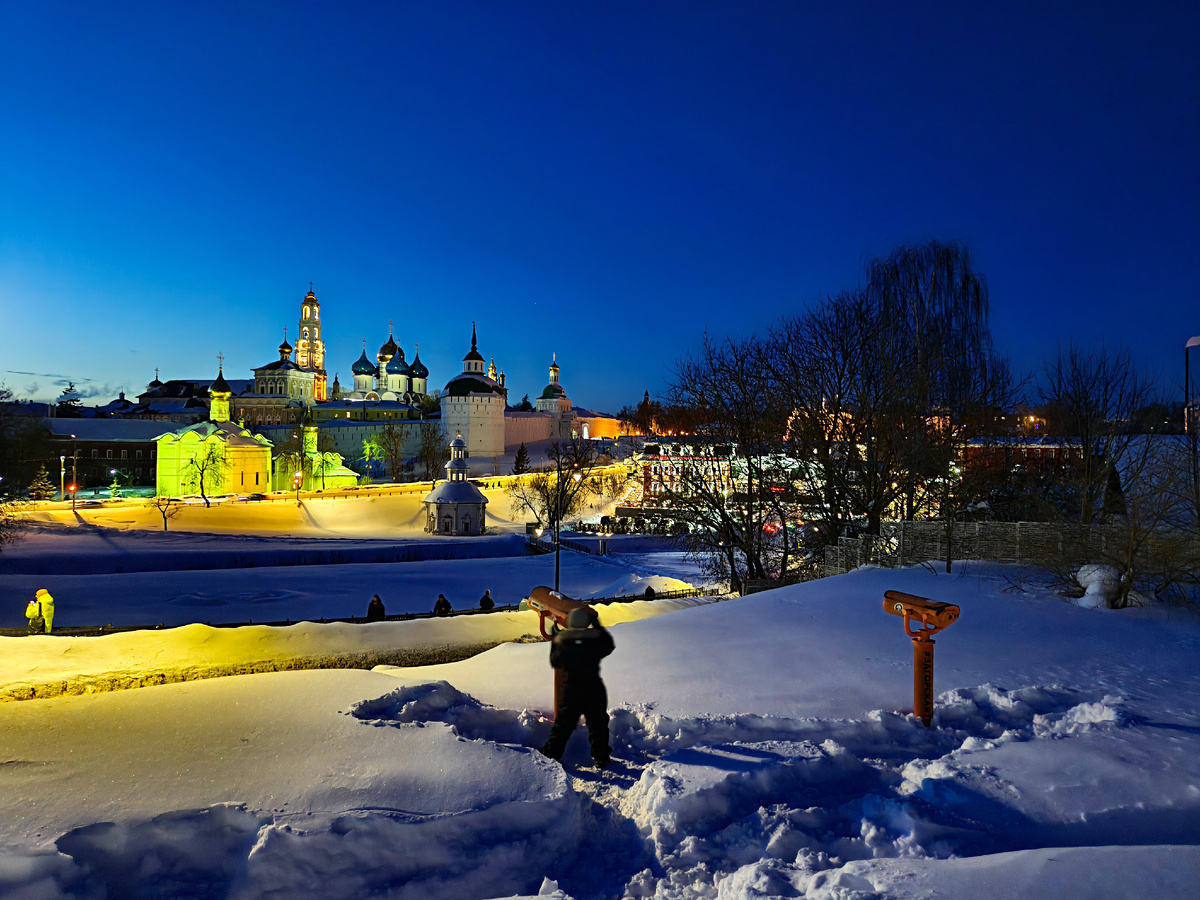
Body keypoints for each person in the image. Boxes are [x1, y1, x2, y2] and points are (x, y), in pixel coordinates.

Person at [539, 607, 614, 768]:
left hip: (572, 688)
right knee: (598, 724)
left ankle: (551, 754)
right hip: (594, 687)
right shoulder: (595, 640)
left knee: (563, 726)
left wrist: (555, 639)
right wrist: (598, 626)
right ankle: (601, 758)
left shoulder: (564, 642)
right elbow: (609, 645)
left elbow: (555, 662)